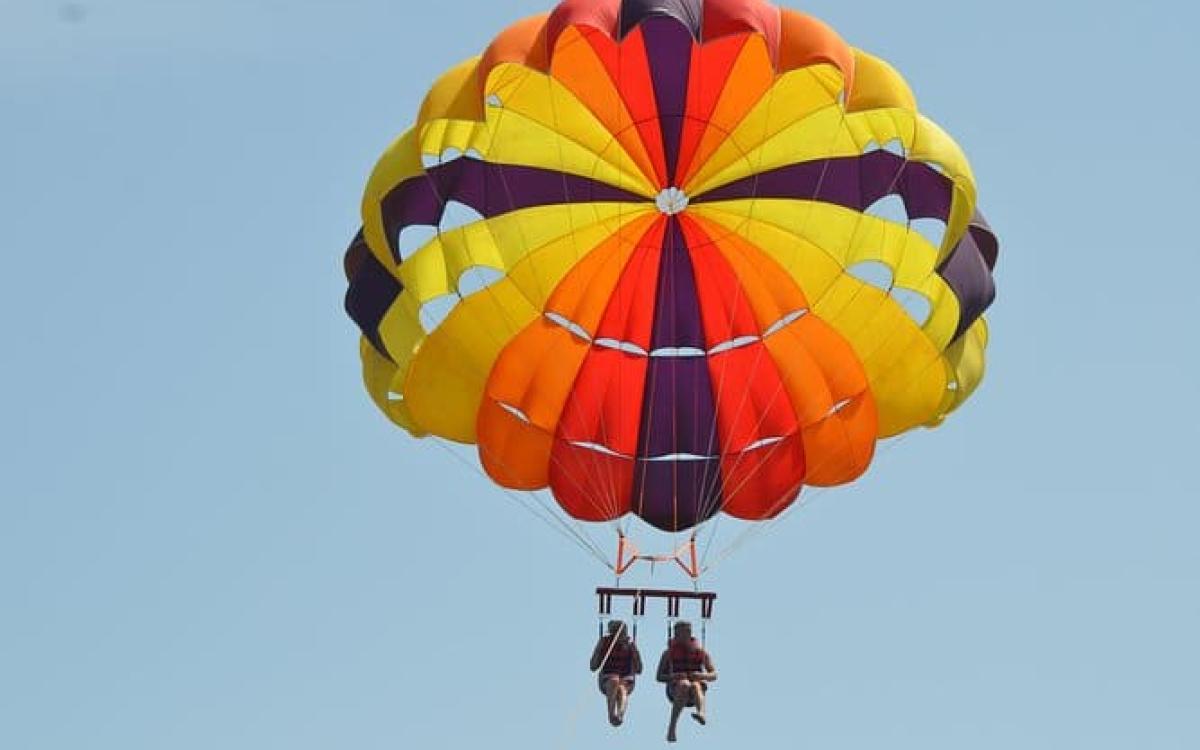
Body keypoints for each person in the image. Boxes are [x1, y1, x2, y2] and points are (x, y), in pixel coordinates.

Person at [656, 621, 717, 742]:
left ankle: (701, 713)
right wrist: (674, 676)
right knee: (685, 684)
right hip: (675, 690)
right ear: (676, 635)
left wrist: (701, 675)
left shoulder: (701, 652)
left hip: (694, 692)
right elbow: (659, 677)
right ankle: (672, 728)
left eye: (688, 632)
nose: (685, 635)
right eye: (682, 633)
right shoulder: (668, 654)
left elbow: (714, 674)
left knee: (694, 685)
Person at [589, 619, 642, 727]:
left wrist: (635, 653)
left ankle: (620, 715)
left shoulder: (630, 645)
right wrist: (599, 649)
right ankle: (611, 714)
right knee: (614, 680)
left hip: (626, 680)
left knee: (622, 688)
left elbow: (639, 669)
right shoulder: (604, 643)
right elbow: (593, 666)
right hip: (607, 679)